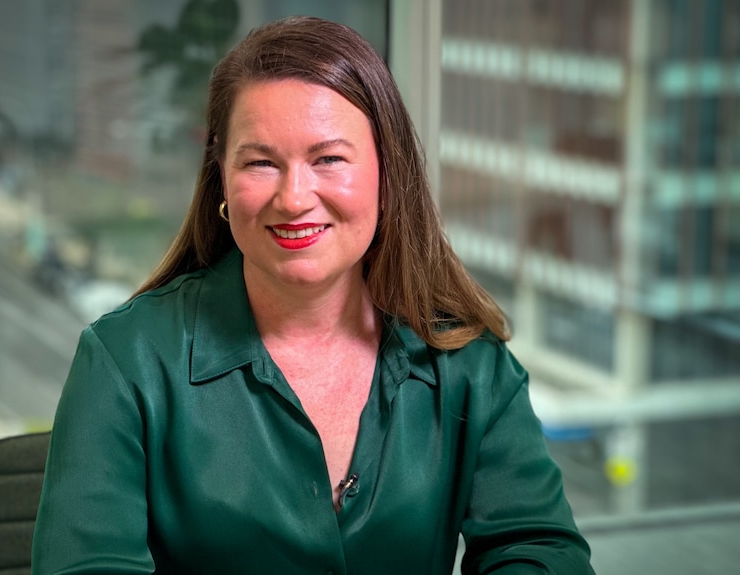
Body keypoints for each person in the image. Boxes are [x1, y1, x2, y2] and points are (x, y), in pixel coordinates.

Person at [32, 15, 595, 575]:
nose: (294, 197)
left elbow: (542, 552)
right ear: (222, 179)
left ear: (387, 173)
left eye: (328, 159)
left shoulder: (467, 362)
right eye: (260, 163)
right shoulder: (124, 362)